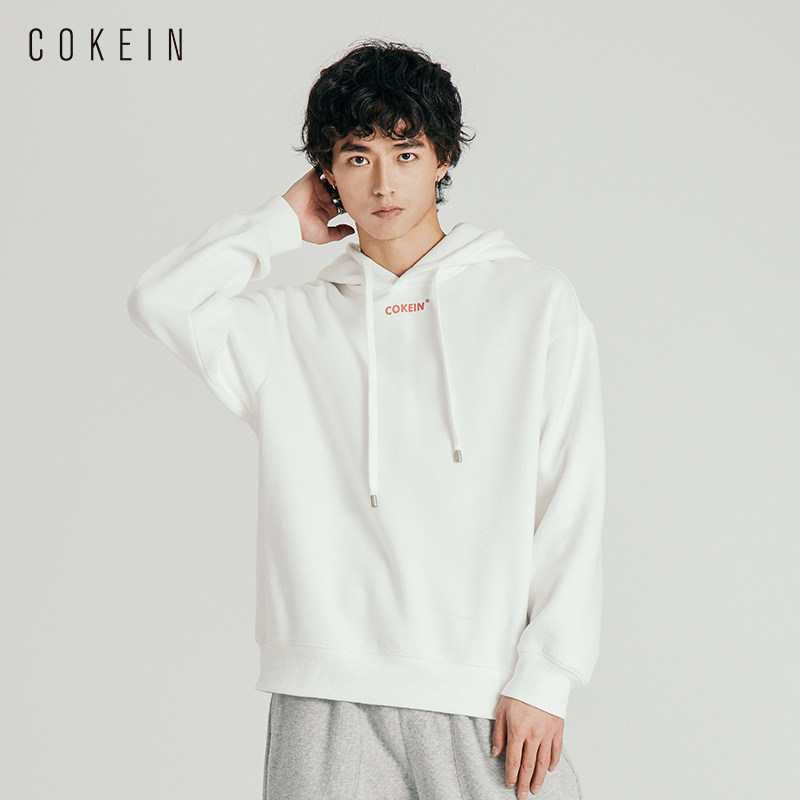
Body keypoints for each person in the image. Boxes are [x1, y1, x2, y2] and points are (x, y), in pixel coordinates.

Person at [127, 38, 606, 800]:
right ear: (328, 173)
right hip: (325, 694)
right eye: (357, 157)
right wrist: (278, 224)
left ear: (443, 157)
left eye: (406, 153)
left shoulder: (533, 303)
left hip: (484, 692)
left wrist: (548, 674)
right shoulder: (289, 328)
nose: (384, 183)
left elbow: (571, 495)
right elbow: (161, 301)